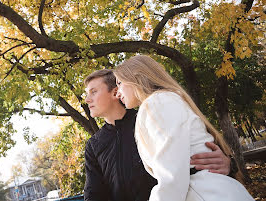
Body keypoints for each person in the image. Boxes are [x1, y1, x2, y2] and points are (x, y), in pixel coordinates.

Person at [114, 55, 254, 201]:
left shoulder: (158, 102)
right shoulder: (165, 100)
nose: (117, 92)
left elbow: (172, 177)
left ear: (135, 77)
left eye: (119, 83)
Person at [83, 69, 235, 201]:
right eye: (87, 94)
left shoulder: (151, 116)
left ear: (115, 92)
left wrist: (229, 164)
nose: (87, 99)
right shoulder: (93, 145)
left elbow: (192, 155)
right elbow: (94, 194)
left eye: (93, 92)